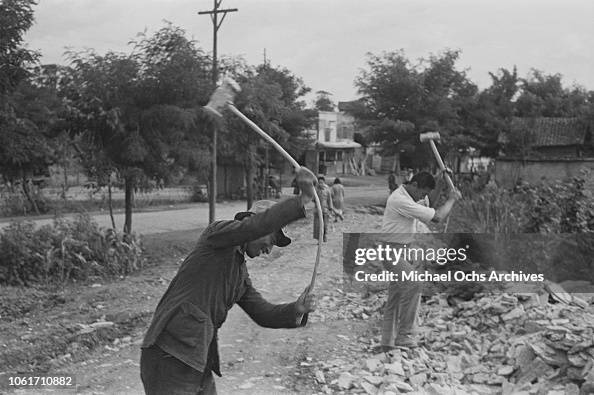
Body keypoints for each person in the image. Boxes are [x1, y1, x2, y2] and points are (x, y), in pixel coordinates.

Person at [140, 167, 318, 395]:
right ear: (254, 222)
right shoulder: (217, 236)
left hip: (197, 359)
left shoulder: (240, 276)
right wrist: (302, 199)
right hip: (169, 354)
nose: (270, 249)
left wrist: (297, 308)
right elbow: (254, 227)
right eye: (272, 238)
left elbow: (263, 313)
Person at [378, 171, 461, 352]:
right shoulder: (400, 200)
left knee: (397, 295)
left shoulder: (409, 195)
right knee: (414, 283)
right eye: (422, 192)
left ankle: (387, 342)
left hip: (401, 249)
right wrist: (452, 199)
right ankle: (404, 336)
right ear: (414, 185)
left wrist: (439, 184)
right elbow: (437, 217)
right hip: (391, 250)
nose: (423, 197)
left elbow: (429, 203)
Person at [313, 175, 334, 242]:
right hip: (317, 211)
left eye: (322, 182)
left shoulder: (327, 190)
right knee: (317, 226)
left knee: (325, 225)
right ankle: (319, 239)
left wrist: (330, 208)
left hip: (325, 210)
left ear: (324, 183)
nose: (321, 184)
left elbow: (329, 200)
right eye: (319, 182)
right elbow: (313, 199)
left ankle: (324, 235)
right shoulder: (315, 190)